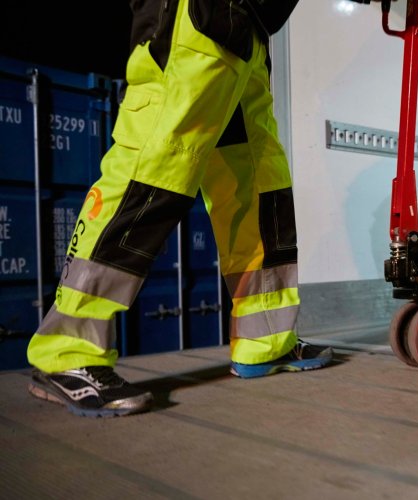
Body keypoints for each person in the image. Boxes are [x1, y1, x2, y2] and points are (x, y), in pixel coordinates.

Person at [26, 0, 333, 418]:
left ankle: (266, 341)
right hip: (197, 15)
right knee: (151, 170)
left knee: (259, 187)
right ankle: (65, 350)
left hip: (249, 32)